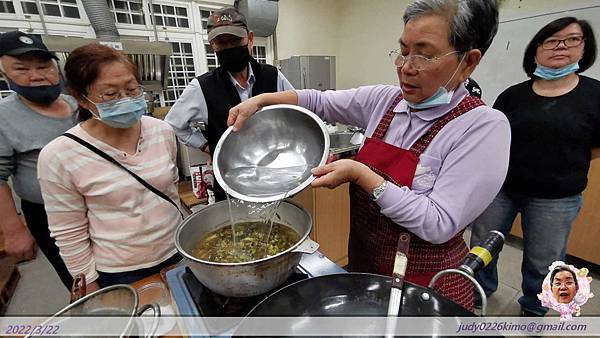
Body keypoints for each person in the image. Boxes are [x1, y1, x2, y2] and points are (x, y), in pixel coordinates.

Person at [228, 0, 509, 310]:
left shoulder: (483, 127)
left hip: (424, 284)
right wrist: (264, 100)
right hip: (365, 268)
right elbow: (319, 101)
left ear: (467, 63)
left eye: (425, 55)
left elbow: (438, 222)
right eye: (403, 50)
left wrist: (360, 174)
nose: (406, 66)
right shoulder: (386, 100)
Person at [469, 16, 599, 316]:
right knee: (482, 246)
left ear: (584, 48)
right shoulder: (513, 95)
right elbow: (495, 137)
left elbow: (593, 147)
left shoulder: (595, 95)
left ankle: (534, 309)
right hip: (501, 188)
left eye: (572, 40)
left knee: (544, 260)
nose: (561, 47)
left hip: (556, 198)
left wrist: (559, 165)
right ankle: (480, 291)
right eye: (551, 41)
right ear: (536, 50)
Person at [37, 43, 181, 291]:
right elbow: (69, 232)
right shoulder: (59, 156)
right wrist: (90, 287)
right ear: (81, 99)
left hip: (177, 253)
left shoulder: (161, 131)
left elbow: (172, 188)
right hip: (120, 273)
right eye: (110, 95)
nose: (125, 99)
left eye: (132, 89)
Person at [164, 6, 293, 201]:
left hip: (273, 177)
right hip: (230, 183)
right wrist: (207, 145)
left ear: (249, 39)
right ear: (212, 46)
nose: (229, 48)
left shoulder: (273, 76)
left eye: (235, 41)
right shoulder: (202, 87)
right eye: (221, 43)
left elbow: (296, 110)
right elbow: (173, 124)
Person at [0, 31, 77, 289]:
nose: (35, 76)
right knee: (79, 278)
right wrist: (14, 230)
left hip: (98, 203)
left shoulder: (78, 105)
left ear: (57, 69)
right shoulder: (4, 116)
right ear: (4, 73)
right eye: (21, 68)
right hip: (48, 213)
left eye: (44, 66)